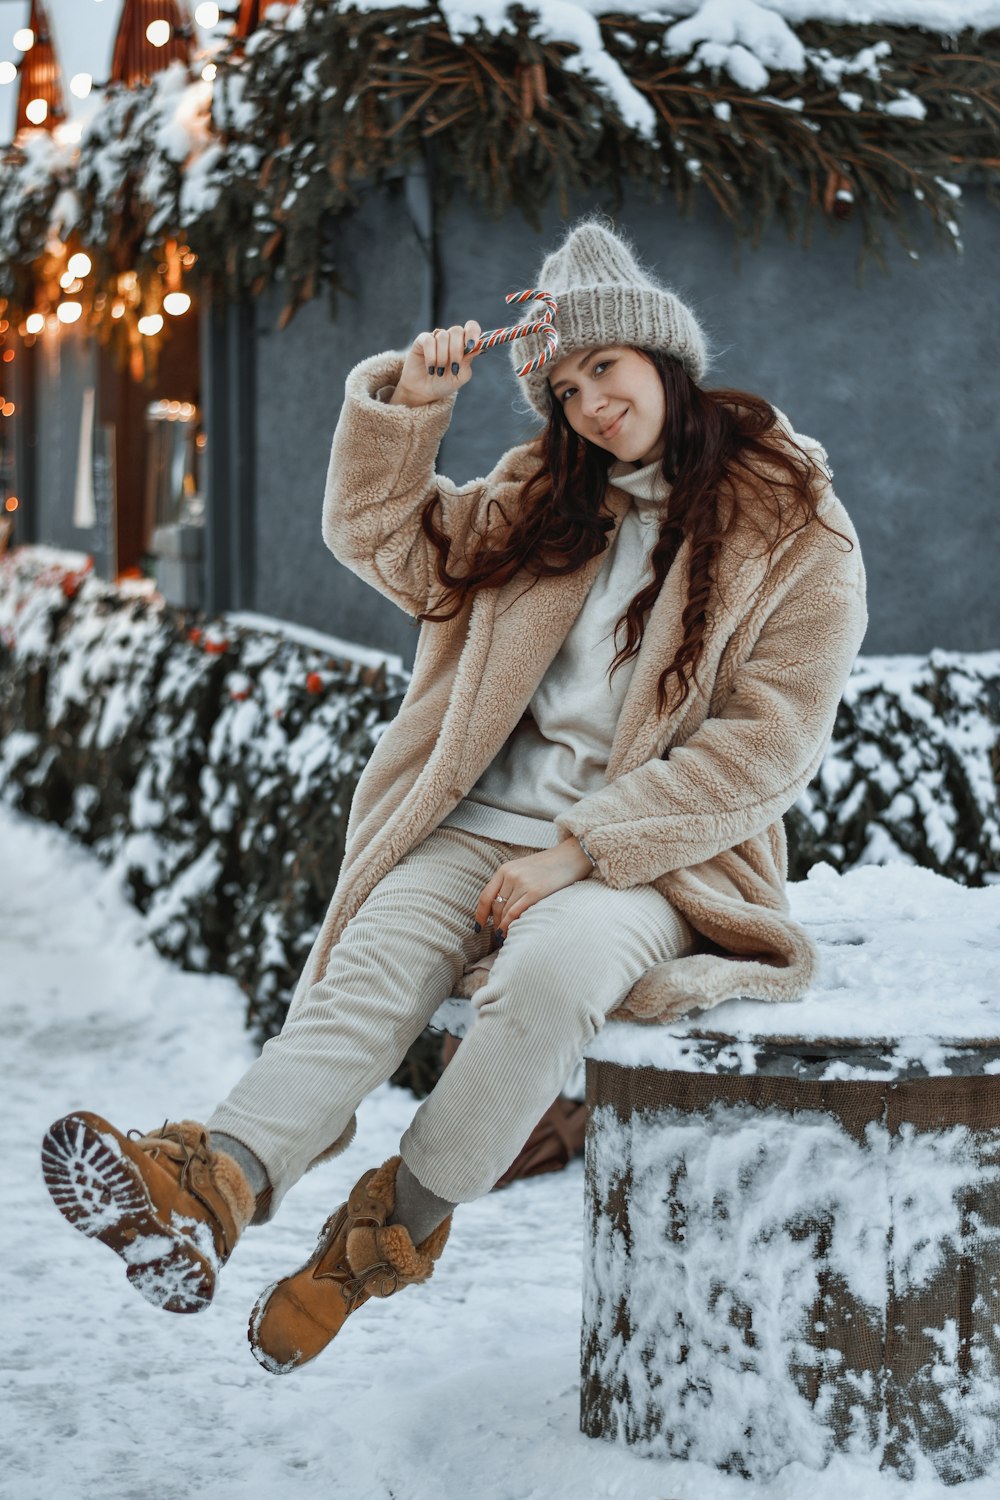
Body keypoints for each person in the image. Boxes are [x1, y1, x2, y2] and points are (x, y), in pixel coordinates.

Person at [41, 218, 867, 1374]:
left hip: (646, 857)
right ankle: (212, 1182)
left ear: (664, 362)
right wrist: (408, 403)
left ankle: (388, 1233)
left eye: (606, 370)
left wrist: (578, 852)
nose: (588, 404)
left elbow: (768, 744)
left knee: (546, 982)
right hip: (473, 823)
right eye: (566, 387)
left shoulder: (793, 527)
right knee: (367, 974)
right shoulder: (542, 501)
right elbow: (380, 536)